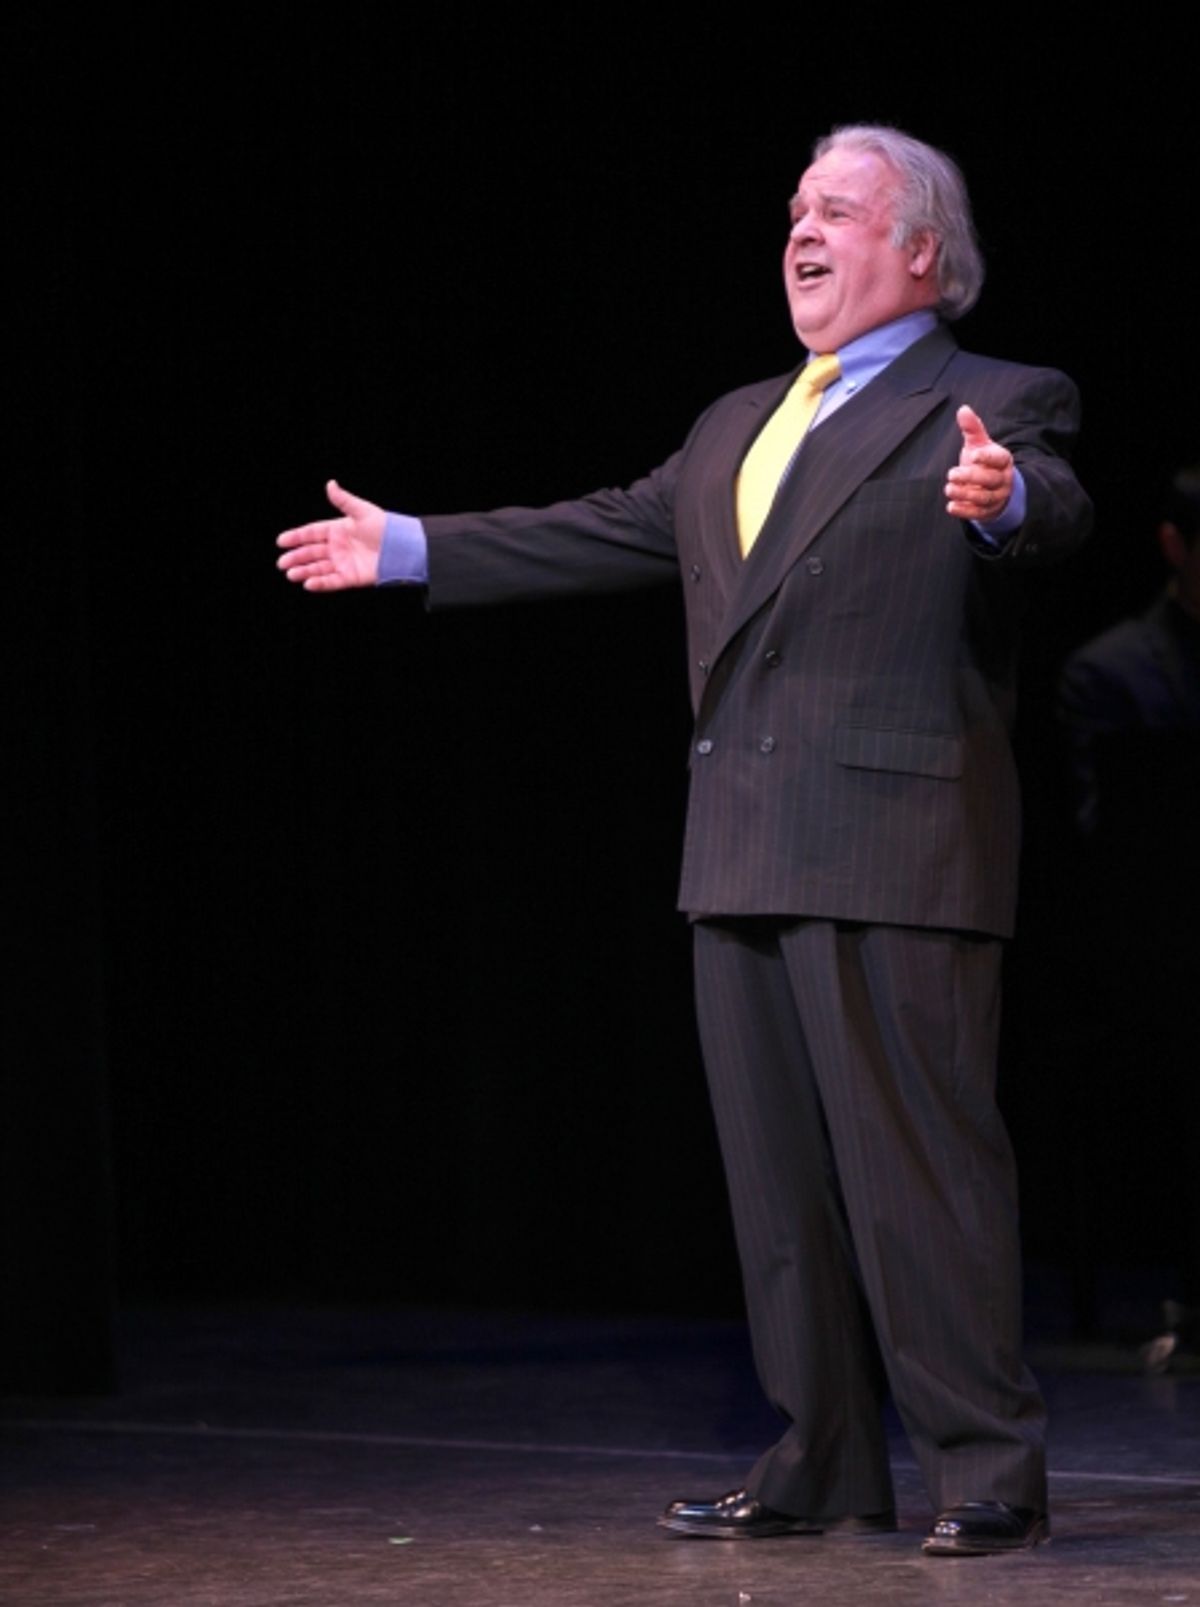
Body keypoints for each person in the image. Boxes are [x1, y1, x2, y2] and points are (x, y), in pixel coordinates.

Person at [277, 124, 1092, 1557]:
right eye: (794, 208)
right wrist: (414, 547)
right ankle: (823, 1461)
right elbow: (605, 527)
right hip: (742, 843)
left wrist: (1004, 499)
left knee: (924, 1182)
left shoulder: (997, 398)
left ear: (922, 254)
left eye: (837, 209)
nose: (802, 228)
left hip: (900, 845)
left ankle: (988, 1474)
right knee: (777, 1191)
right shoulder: (735, 421)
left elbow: (1049, 506)